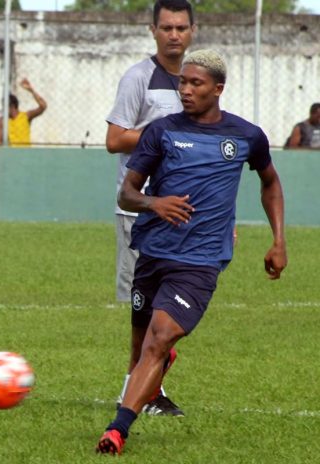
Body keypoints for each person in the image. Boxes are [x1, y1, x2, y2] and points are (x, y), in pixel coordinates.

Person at [96, 49, 287, 455]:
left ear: (218, 89)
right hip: (153, 253)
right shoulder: (160, 131)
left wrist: (278, 240)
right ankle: (155, 369)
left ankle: (117, 430)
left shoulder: (246, 136)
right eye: (182, 82)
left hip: (200, 262)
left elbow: (270, 182)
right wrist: (155, 203)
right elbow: (128, 193)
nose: (185, 90)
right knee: (140, 349)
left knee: (158, 339)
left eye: (195, 83)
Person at [105, 0, 196, 417]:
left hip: (184, 214)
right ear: (153, 31)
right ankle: (139, 392)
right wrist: (161, 134)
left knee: (171, 307)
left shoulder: (197, 81)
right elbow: (115, 138)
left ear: (192, 30)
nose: (173, 34)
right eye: (166, 27)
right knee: (143, 309)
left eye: (180, 27)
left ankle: (149, 387)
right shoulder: (139, 78)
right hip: (140, 211)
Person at [0, 78, 47, 146]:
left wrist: (32, 91)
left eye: (4, 107)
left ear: (12, 106)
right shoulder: (3, 120)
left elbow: (43, 106)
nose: (3, 110)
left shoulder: (26, 116)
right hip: (12, 155)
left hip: (26, 154)